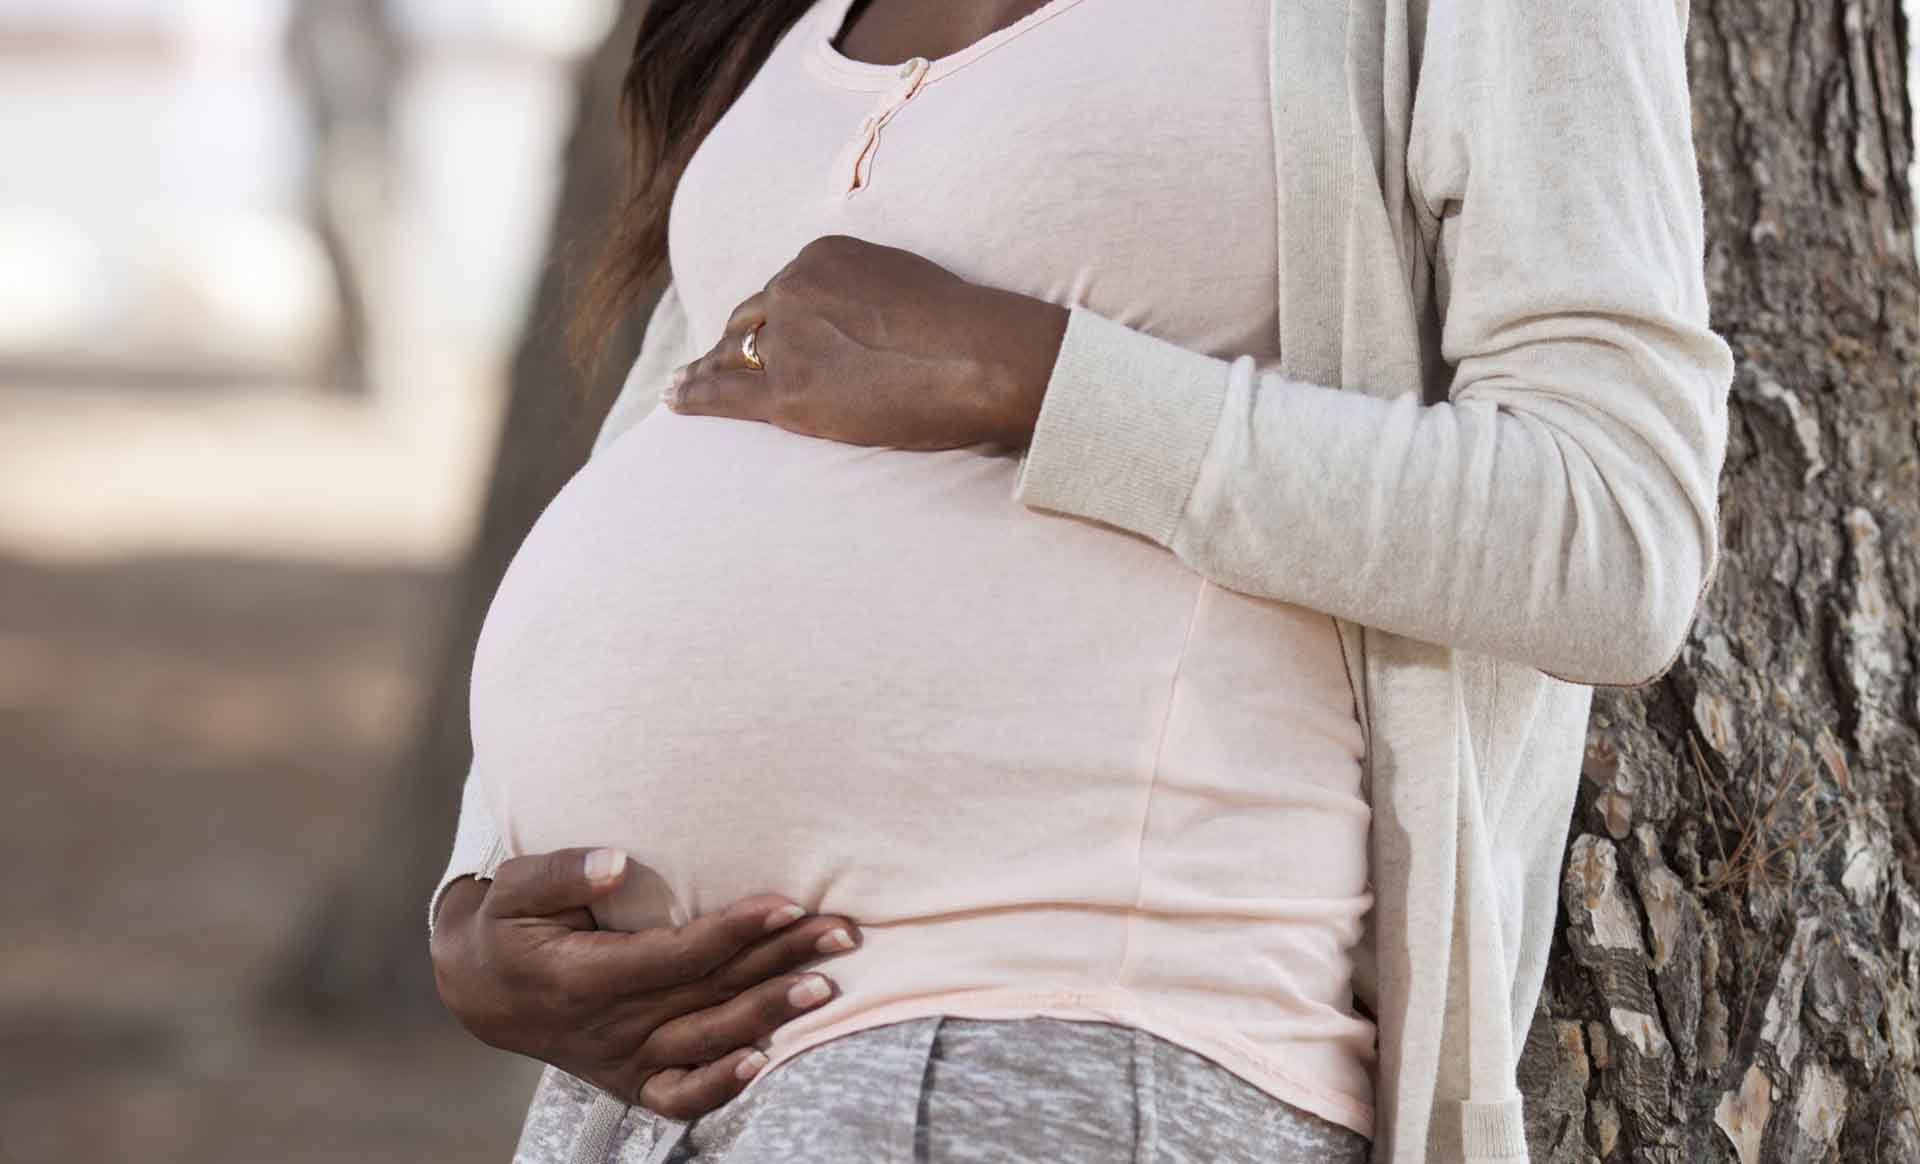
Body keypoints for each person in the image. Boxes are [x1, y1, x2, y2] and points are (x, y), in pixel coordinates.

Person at [427, 1, 1733, 1162]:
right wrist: (482, 892)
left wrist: (1042, 381)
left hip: (1054, 1019)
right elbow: (680, 422)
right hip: (654, 1076)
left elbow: (1613, 533)